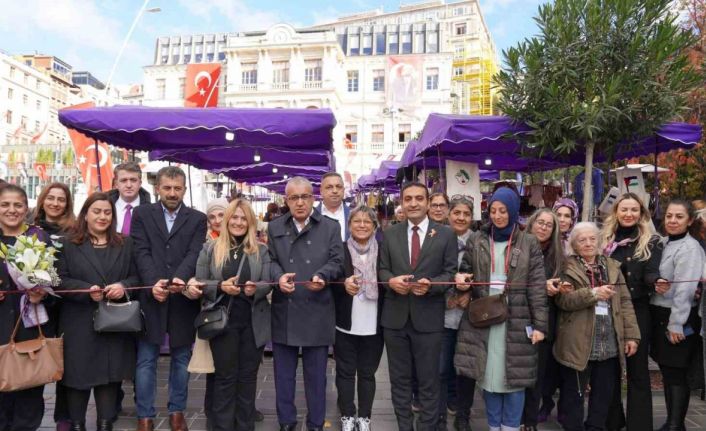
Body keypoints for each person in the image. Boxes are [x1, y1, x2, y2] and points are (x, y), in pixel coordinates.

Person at [454, 187, 548, 431]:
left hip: (516, 318)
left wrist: (540, 326)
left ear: (514, 211)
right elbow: (466, 269)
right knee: (488, 377)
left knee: (515, 378)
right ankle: (494, 426)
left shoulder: (528, 242)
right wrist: (462, 280)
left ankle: (511, 427)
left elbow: (537, 288)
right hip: (484, 316)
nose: (497, 216)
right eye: (493, 210)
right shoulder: (478, 238)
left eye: (503, 211)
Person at [131, 166, 207, 431]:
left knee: (181, 359)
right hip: (151, 296)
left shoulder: (198, 218)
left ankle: (177, 411)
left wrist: (179, 279)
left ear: (184, 189)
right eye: (167, 188)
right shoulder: (141, 214)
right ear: (157, 189)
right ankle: (145, 415)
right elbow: (140, 250)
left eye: (177, 188)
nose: (172, 193)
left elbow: (195, 251)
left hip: (183, 297)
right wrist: (154, 283)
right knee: (146, 359)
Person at [55, 193, 140, 431]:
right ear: (85, 214)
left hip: (114, 322)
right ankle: (78, 425)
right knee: (77, 377)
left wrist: (123, 287)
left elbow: (136, 277)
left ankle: (105, 425)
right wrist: (84, 290)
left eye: (107, 212)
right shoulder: (67, 243)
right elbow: (57, 280)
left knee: (109, 378)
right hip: (78, 322)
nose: (102, 216)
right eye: (97, 211)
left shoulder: (125, 243)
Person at [378, 182, 457, 431]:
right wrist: (390, 281)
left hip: (429, 319)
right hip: (395, 319)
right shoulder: (390, 233)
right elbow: (382, 269)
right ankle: (404, 426)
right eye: (408, 199)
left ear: (427, 202)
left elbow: (450, 272)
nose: (413, 203)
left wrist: (431, 284)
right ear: (402, 202)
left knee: (429, 381)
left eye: (419, 199)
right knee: (399, 380)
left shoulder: (445, 234)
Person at [267, 176, 344, 431]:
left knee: (316, 376)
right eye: (293, 197)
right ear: (286, 200)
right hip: (285, 308)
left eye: (305, 197)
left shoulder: (331, 227)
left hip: (318, 308)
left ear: (314, 198)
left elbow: (338, 261)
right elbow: (270, 260)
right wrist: (278, 277)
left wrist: (322, 275)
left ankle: (315, 423)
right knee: (284, 376)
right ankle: (286, 422)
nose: (300, 203)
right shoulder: (275, 226)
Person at [193, 198, 272, 431]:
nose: (238, 222)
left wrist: (254, 288)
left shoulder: (262, 250)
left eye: (243, 218)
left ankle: (245, 426)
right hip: (222, 324)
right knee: (225, 379)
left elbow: (268, 282)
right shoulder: (210, 249)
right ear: (227, 220)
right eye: (234, 217)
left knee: (248, 379)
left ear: (251, 222)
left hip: (252, 323)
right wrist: (219, 286)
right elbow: (198, 283)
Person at [553, 222, 640, 431]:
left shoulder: (612, 266)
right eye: (582, 240)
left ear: (600, 241)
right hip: (578, 342)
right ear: (574, 244)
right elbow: (563, 301)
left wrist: (632, 336)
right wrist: (592, 294)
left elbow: (625, 302)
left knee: (603, 395)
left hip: (608, 340)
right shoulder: (566, 267)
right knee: (574, 395)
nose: (588, 243)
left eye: (592, 239)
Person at [598, 193, 663, 431]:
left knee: (638, 371)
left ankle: (640, 425)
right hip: (608, 308)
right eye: (624, 209)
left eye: (634, 210)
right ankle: (612, 421)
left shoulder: (652, 241)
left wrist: (657, 281)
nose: (629, 214)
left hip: (638, 309)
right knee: (610, 367)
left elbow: (651, 271)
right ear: (616, 212)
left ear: (641, 213)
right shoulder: (604, 240)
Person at [0, 184, 54, 431]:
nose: (11, 210)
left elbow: (55, 279)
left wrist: (41, 293)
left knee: (29, 393)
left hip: (29, 326)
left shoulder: (38, 238)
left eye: (17, 205)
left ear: (26, 208)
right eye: (5, 205)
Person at [650, 200, 705, 431]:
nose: (672, 220)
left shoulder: (690, 248)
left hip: (678, 317)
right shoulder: (663, 242)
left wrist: (676, 324)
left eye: (679, 217)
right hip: (659, 313)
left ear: (690, 220)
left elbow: (686, 289)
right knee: (668, 371)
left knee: (675, 373)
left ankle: (675, 425)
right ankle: (673, 423)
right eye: (669, 216)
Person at [332, 206, 385, 431]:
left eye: (367, 221)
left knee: (367, 373)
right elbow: (330, 279)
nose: (362, 225)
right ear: (350, 225)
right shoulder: (339, 250)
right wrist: (342, 283)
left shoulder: (384, 251)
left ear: (374, 226)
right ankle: (347, 415)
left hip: (375, 323)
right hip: (345, 322)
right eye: (357, 221)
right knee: (344, 372)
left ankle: (364, 417)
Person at [521, 208, 567, 431]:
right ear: (531, 223)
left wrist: (557, 288)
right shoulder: (518, 247)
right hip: (519, 317)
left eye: (549, 225)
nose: (543, 227)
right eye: (540, 222)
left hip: (545, 320)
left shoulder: (558, 255)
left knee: (537, 375)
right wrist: (541, 286)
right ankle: (516, 416)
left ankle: (529, 420)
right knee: (518, 370)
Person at [440, 198, 476, 431]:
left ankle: (463, 412)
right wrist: (446, 298)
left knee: (466, 369)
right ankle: (440, 411)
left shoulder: (479, 241)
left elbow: (487, 274)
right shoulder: (438, 238)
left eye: (466, 213)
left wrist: (471, 296)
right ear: (449, 214)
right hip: (442, 315)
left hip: (469, 317)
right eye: (456, 212)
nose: (461, 218)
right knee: (441, 367)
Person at [107, 161, 151, 236]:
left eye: (133, 180)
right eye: (123, 180)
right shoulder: (105, 208)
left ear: (140, 183)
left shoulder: (150, 212)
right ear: (116, 184)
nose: (129, 185)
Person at [318, 172, 350, 241]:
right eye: (329, 187)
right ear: (321, 191)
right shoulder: (310, 216)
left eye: (338, 187)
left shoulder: (353, 214)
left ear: (343, 190)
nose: (335, 191)